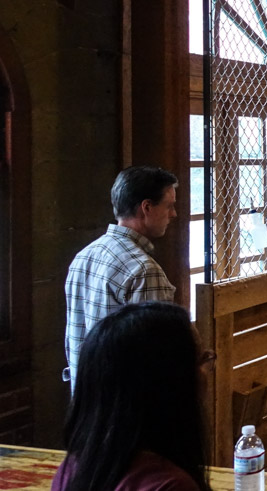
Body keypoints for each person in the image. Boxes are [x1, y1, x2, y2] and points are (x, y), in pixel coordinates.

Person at [52, 301, 213, 491]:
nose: (207, 372)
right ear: (169, 382)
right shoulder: (171, 485)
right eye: (202, 359)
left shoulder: (71, 470)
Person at [64, 166, 178, 386]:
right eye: (169, 206)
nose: (173, 214)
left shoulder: (84, 256)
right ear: (147, 207)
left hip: (86, 396)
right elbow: (156, 361)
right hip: (126, 402)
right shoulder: (144, 271)